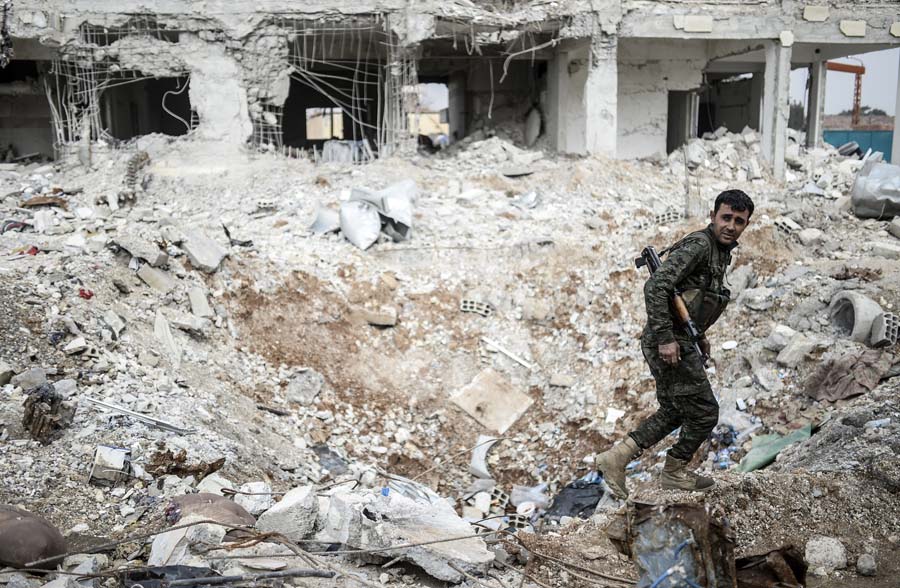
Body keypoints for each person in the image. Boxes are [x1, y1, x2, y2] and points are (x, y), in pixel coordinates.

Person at [596, 189, 754, 497]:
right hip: (668, 341)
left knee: (675, 410)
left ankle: (616, 458)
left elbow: (690, 299)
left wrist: (701, 337)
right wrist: (667, 339)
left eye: (739, 221)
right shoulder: (699, 245)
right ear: (713, 216)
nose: (731, 226)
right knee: (705, 411)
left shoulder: (720, 253)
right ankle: (676, 470)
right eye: (726, 218)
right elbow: (656, 287)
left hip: (679, 338)